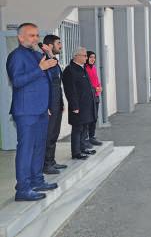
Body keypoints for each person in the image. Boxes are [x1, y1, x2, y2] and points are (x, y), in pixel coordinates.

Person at [7, 23, 59, 201]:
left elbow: (52, 77)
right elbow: (17, 81)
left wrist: (50, 57)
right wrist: (40, 69)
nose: (36, 39)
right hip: (26, 111)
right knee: (26, 149)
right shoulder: (16, 56)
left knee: (39, 148)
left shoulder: (38, 55)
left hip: (41, 110)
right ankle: (23, 189)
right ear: (21, 37)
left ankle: (37, 180)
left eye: (37, 35)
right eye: (31, 35)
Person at [62, 47, 97, 161]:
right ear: (76, 56)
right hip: (78, 106)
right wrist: (74, 106)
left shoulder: (82, 68)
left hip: (87, 105)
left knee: (85, 127)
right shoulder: (70, 70)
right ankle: (76, 152)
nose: (86, 58)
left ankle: (83, 148)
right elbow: (70, 90)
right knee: (77, 129)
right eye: (84, 56)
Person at [41, 34, 68, 175]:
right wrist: (46, 105)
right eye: (58, 43)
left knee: (54, 134)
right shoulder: (44, 61)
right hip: (49, 105)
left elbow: (58, 85)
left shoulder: (54, 61)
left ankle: (51, 161)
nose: (61, 46)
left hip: (57, 103)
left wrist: (62, 102)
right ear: (50, 45)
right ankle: (45, 165)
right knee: (48, 134)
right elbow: (45, 85)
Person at [84, 51, 103, 147]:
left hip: (95, 95)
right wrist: (95, 88)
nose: (93, 59)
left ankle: (92, 136)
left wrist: (99, 88)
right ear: (86, 58)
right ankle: (86, 138)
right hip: (88, 97)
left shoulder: (94, 68)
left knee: (95, 117)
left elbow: (96, 81)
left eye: (94, 57)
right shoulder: (85, 69)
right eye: (91, 57)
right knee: (89, 118)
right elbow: (87, 84)